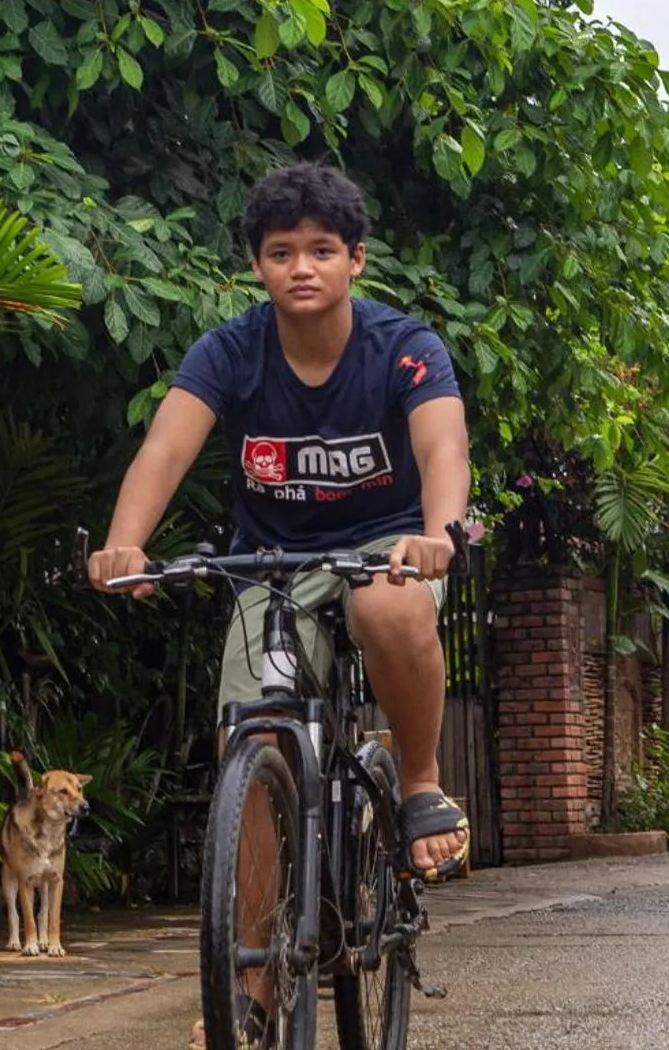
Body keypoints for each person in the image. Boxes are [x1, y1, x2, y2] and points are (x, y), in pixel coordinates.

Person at [88, 161, 472, 884]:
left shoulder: (405, 349)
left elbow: (443, 445)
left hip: (386, 543)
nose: (302, 268)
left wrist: (439, 533)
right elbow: (165, 447)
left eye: (322, 250)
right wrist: (123, 543)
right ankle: (252, 983)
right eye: (281, 253)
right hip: (273, 559)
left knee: (388, 608)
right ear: (257, 265)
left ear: (355, 259)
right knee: (251, 736)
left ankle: (420, 780)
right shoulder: (230, 351)